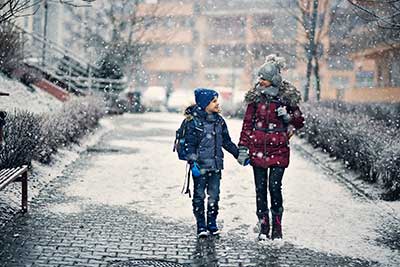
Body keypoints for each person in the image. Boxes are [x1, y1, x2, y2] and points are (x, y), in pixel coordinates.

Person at [236, 55, 304, 240]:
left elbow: (299, 121)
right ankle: (264, 225)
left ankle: (278, 225)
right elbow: (247, 124)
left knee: (274, 187)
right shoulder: (255, 98)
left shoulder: (287, 98)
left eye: (264, 78)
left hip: (278, 150)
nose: (260, 81)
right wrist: (243, 147)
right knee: (260, 189)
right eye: (259, 78)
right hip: (257, 148)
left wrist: (287, 117)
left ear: (273, 79)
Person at [185, 88, 239, 238]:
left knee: (214, 196)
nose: (217, 103)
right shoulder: (194, 122)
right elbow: (190, 144)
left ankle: (212, 223)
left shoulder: (219, 121)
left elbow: (226, 142)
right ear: (204, 104)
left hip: (215, 166)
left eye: (217, 100)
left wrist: (238, 155)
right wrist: (192, 162)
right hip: (200, 167)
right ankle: (201, 225)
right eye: (214, 101)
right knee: (199, 196)